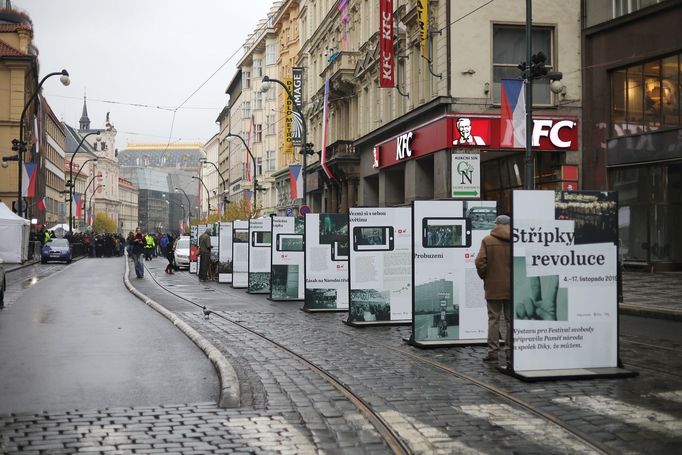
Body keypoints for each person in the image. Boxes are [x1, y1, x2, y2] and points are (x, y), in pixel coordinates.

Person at [475, 214, 512, 367]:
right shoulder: (516, 239)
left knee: (493, 320)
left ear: (496, 224)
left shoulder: (488, 240)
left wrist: (486, 276)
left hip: (493, 287)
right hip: (513, 287)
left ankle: (493, 353)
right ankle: (511, 352)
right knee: (511, 321)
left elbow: (480, 262)